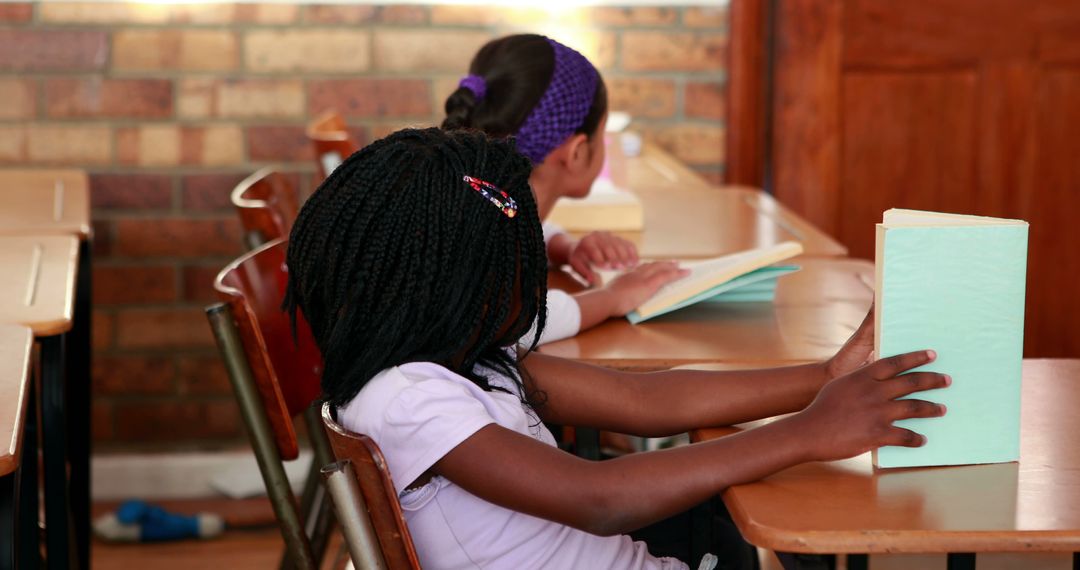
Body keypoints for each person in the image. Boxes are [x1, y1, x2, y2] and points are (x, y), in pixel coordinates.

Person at [284, 128, 948, 570]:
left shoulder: (463, 360)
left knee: (744, 521)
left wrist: (824, 376)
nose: (534, 286)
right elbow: (600, 498)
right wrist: (806, 433)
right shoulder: (409, 400)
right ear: (456, 290)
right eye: (519, 269)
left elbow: (642, 396)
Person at [443, 34, 666, 343]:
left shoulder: (469, 202)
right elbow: (514, 324)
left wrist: (564, 247)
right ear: (576, 153)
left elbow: (520, 230)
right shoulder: (484, 255)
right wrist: (612, 297)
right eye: (602, 134)